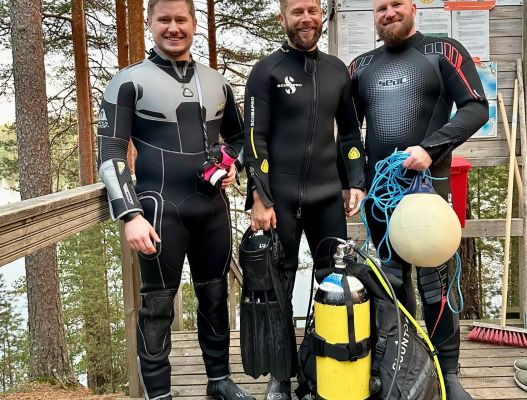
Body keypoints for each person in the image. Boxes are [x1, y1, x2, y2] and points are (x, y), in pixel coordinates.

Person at [96, 1, 254, 399]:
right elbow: (111, 153)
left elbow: (239, 139)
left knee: (215, 297)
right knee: (158, 307)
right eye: (163, 20)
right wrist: (130, 214)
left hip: (212, 209)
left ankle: (219, 380)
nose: (173, 28)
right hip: (158, 210)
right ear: (150, 23)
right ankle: (159, 394)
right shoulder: (128, 82)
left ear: (194, 24)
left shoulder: (216, 82)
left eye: (180, 19)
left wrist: (230, 164)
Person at [349, 1, 489, 399]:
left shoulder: (443, 51)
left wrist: (431, 148)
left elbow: (476, 108)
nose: (388, 13)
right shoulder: (360, 66)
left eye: (396, 4)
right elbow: (348, 131)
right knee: (392, 282)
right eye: (380, 7)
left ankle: (448, 373)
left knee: (435, 282)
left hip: (428, 188)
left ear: (413, 7)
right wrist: (355, 180)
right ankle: (406, 364)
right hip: (381, 193)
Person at [243, 0, 367, 398]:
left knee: (335, 280)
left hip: (327, 197)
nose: (306, 18)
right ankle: (281, 375)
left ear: (322, 15)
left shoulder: (336, 70)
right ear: (282, 18)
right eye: (297, 11)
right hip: (279, 200)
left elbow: (350, 133)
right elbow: (254, 140)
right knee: (279, 284)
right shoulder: (266, 71)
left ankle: (321, 363)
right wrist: (260, 197)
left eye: (312, 10)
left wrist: (355, 181)